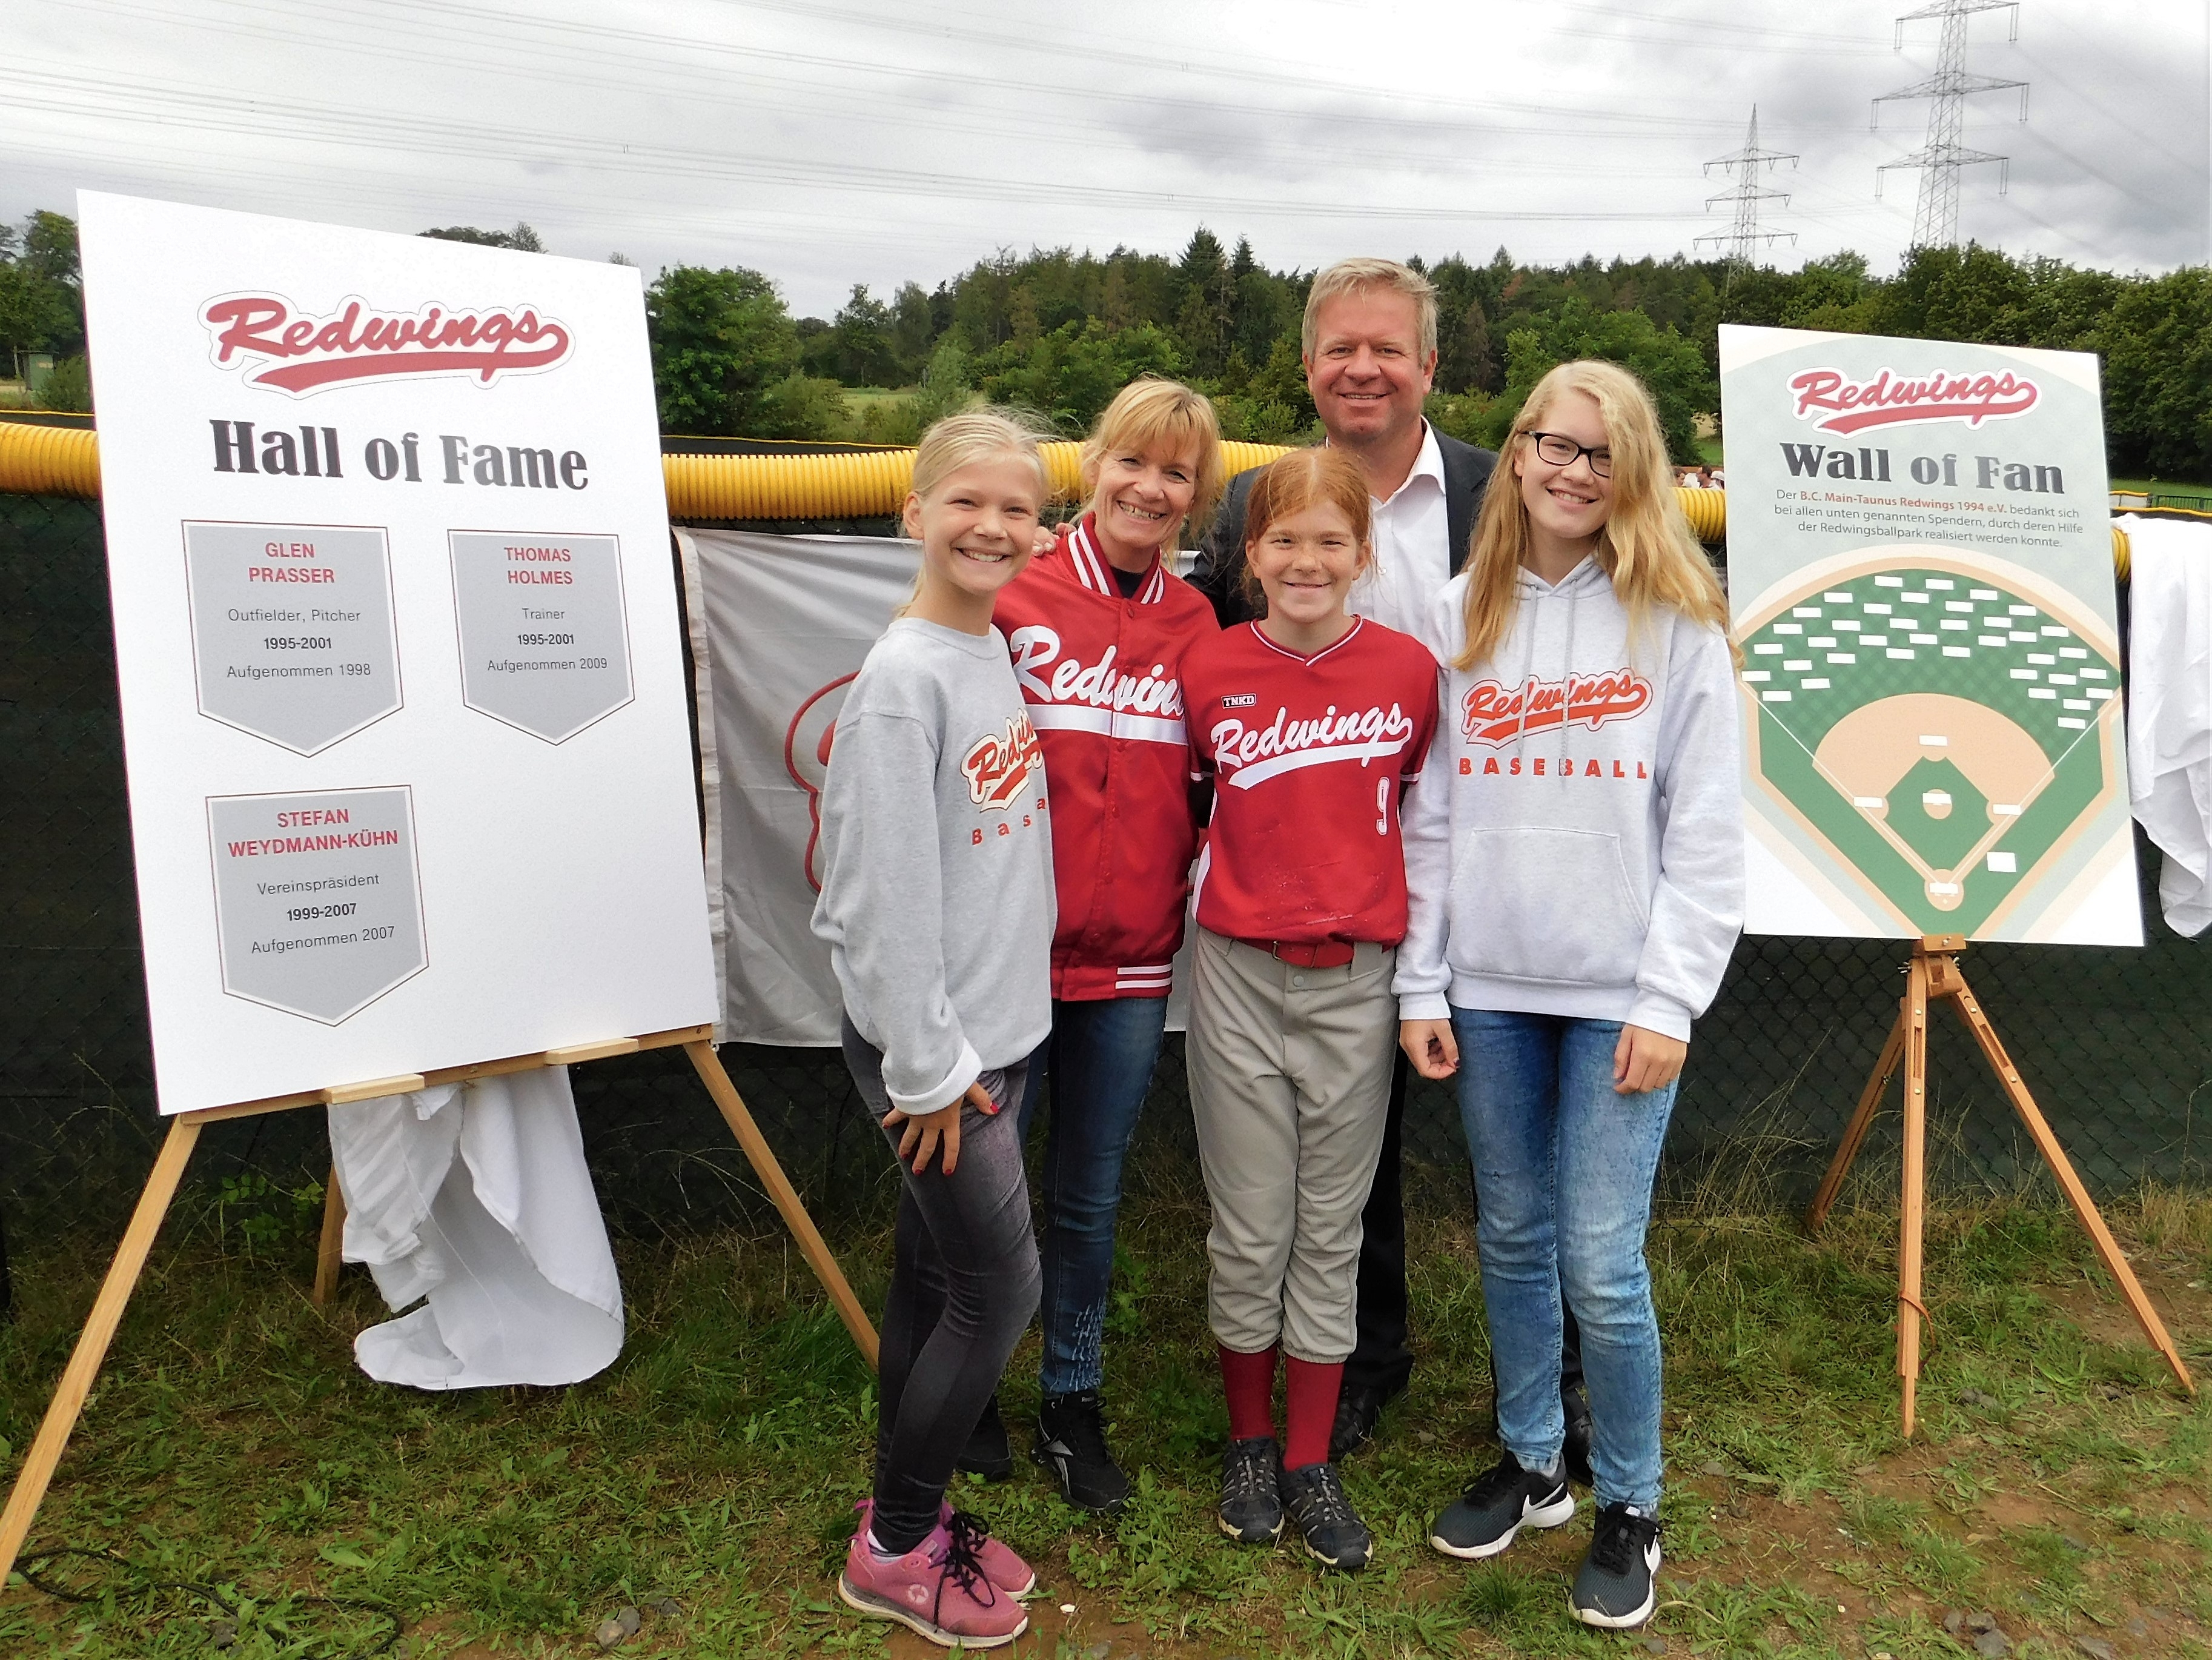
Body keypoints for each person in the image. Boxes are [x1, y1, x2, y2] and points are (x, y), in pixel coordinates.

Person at [1193, 257, 1588, 1475]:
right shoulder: (1254, 502)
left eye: (1386, 348)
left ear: (1428, 363)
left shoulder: (1499, 488)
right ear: (1306, 365)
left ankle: (1560, 1385)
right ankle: (1359, 1362)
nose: (1360, 368)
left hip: (1498, 857)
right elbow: (1202, 657)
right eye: (1335, 348)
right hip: (1326, 878)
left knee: (1524, 1143)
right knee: (1337, 1158)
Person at [1396, 361, 1743, 1628]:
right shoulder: (1454, 615)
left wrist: (1667, 999)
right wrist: (1419, 982)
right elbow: (1427, 818)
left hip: (1615, 996)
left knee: (1600, 1261)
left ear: (1632, 470)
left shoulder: (1676, 624)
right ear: (1521, 450)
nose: (1571, 470)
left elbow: (1707, 835)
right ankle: (1534, 1460)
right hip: (1484, 988)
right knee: (1510, 1237)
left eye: (1600, 453)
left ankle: (1631, 1501)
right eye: (1553, 444)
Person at [812, 410, 1058, 1649]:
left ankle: (905, 1509)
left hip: (985, 1032)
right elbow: (875, 898)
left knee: (932, 1278)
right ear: (911, 514)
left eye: (1016, 508)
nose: (992, 525)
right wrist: (928, 1067)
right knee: (998, 1285)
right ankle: (897, 1543)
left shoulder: (985, 650)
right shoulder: (903, 682)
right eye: (965, 501)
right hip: (939, 1057)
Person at [1182, 448, 1440, 1572]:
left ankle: (1308, 1457)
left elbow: (1418, 811)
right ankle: (1247, 1441)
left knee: (1330, 1233)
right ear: (1251, 555)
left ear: (1363, 554)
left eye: (1330, 540)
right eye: (1283, 539)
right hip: (1237, 970)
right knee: (1250, 1227)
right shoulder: (1210, 667)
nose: (1306, 560)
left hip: (1358, 978)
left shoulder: (1408, 672)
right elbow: (1194, 796)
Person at [987, 377, 1225, 1512]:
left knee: (1088, 1195)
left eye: (1176, 473)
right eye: (1134, 460)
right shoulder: (1012, 593)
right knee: (980, 1195)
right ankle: (963, 1386)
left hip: (1131, 961)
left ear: (1195, 498)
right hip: (1006, 954)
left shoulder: (1197, 625)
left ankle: (1071, 1402)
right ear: (1094, 464)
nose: (1151, 486)